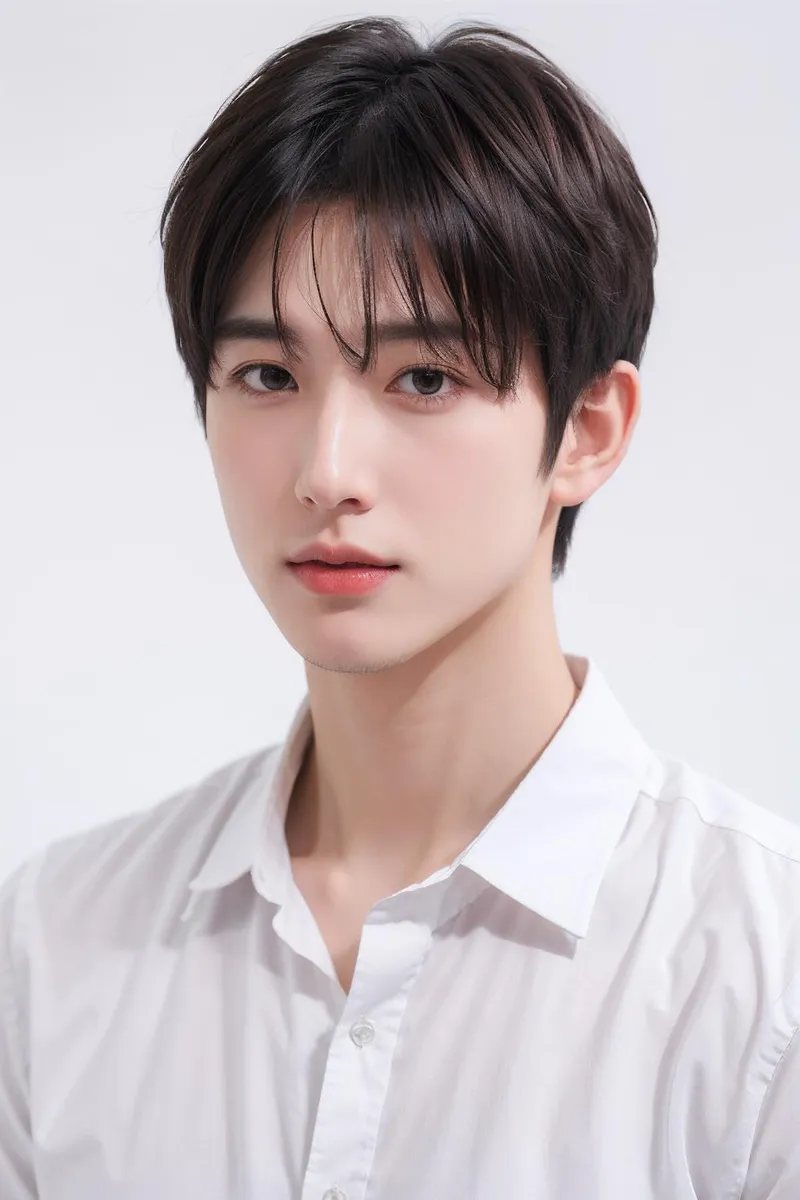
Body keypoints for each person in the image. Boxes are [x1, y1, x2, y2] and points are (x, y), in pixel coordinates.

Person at [2, 15, 798, 1199]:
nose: (326, 468)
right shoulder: (56, 945)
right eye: (267, 376)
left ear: (586, 429)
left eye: (421, 378)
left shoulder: (758, 979)